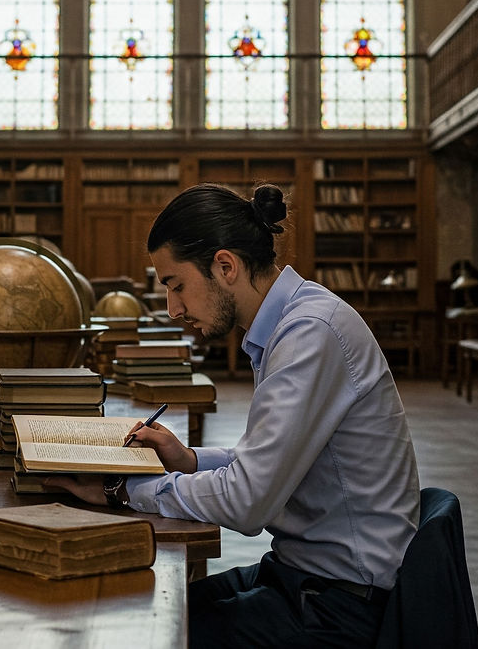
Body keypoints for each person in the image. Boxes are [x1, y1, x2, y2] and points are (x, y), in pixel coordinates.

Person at [49, 182, 420, 648]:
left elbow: (247, 502)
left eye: (176, 285)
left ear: (225, 266)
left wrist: (121, 489)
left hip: (340, 606)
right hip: (302, 577)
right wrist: (187, 460)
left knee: (145, 632)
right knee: (153, 605)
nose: (173, 309)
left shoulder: (310, 333)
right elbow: (262, 461)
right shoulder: (290, 322)